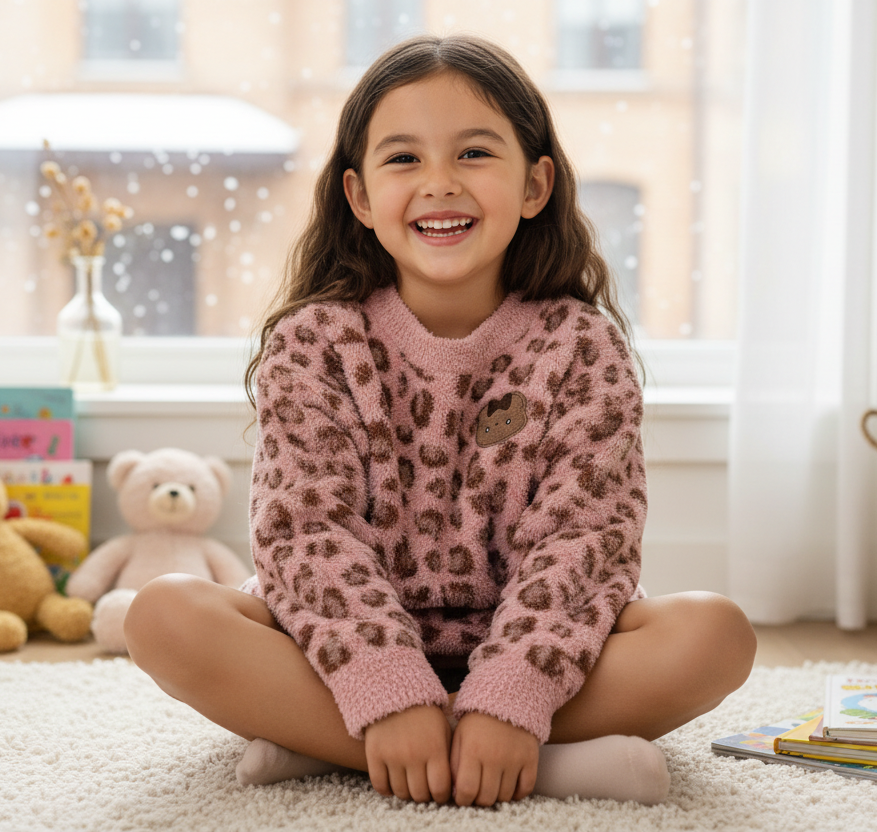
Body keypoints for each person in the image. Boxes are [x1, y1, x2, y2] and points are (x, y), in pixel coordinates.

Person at [124, 33, 756, 808]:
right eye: (403, 159)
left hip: (541, 649)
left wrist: (514, 694)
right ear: (359, 198)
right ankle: (530, 763)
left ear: (535, 184)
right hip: (339, 647)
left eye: (475, 154)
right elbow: (306, 534)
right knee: (162, 616)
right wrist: (384, 687)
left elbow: (585, 541)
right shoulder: (315, 343)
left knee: (716, 636)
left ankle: (333, 749)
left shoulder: (583, 348)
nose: (439, 185)